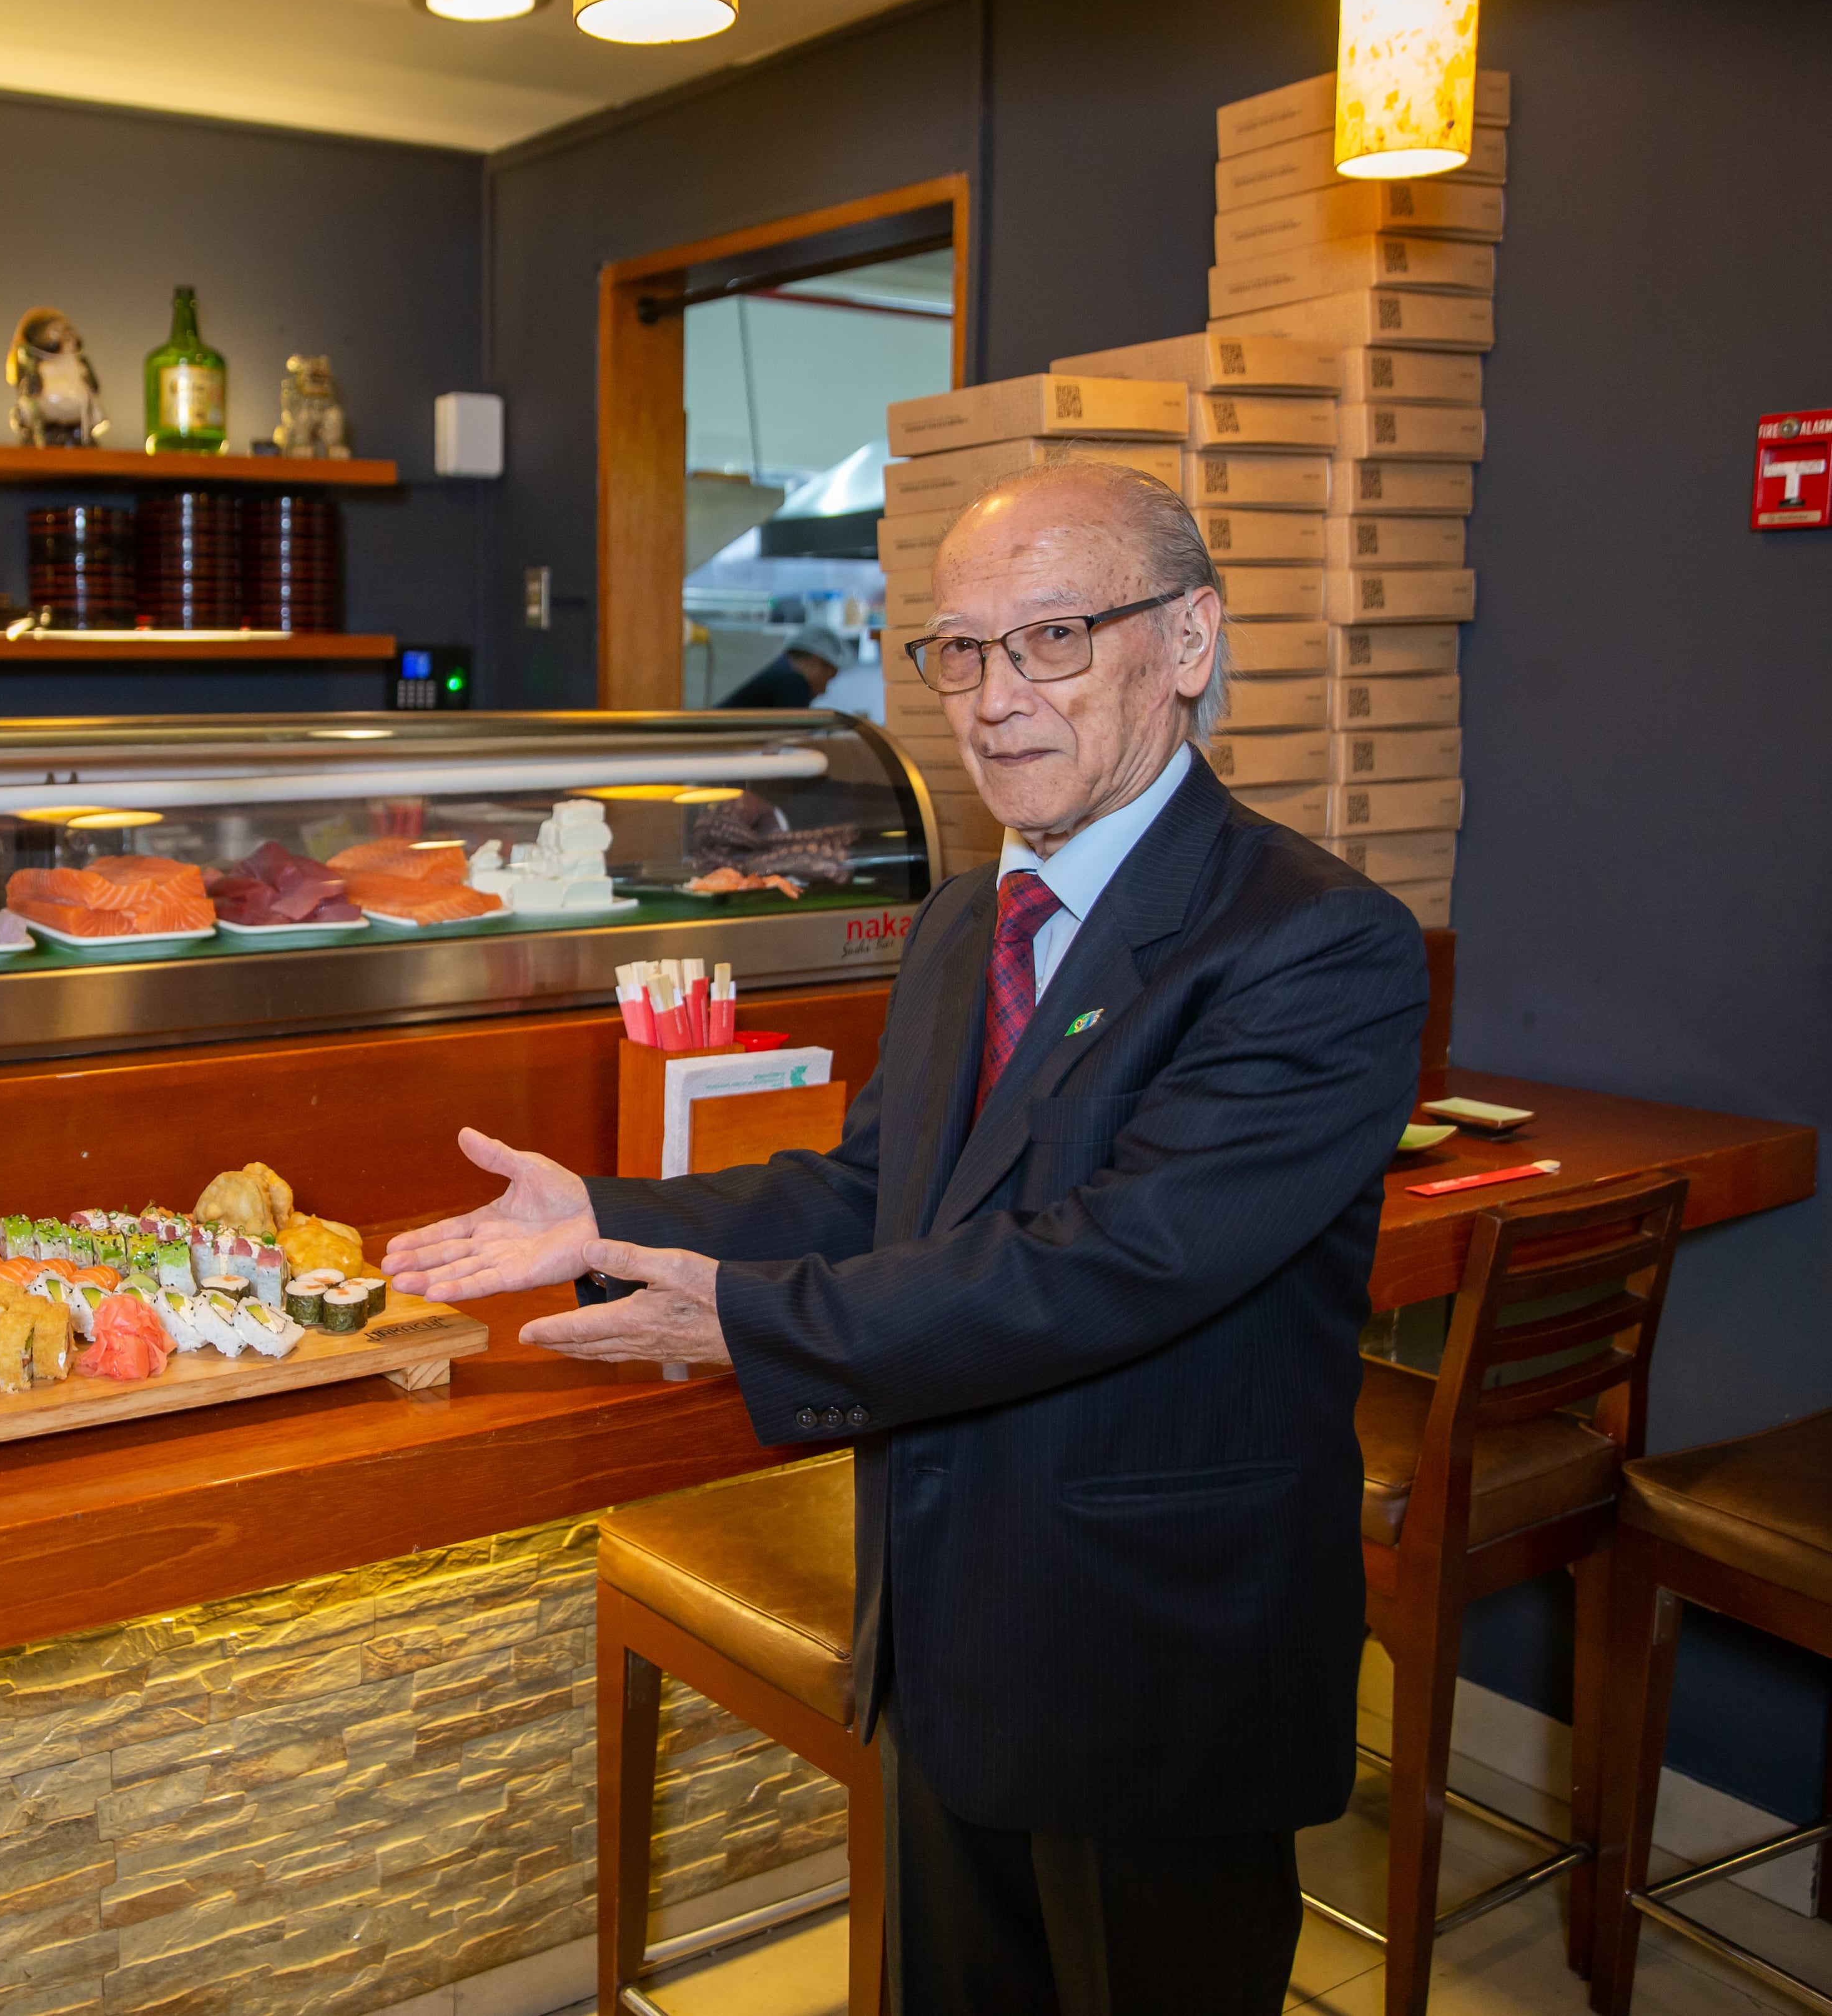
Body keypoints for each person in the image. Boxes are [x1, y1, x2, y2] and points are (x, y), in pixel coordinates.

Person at [388, 461, 1429, 2016]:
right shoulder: (963, 919)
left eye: (1054, 638)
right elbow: (879, 1189)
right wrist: (603, 1218)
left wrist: (747, 1315)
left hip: (1154, 1657)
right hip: (947, 1616)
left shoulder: (1311, 942)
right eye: (958, 650)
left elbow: (1107, 1261)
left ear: (1191, 640)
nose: (995, 698)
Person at [719, 621, 855, 708]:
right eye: (828, 679)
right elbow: (794, 738)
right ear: (816, 661)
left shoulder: (777, 669)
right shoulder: (794, 683)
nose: (823, 691)